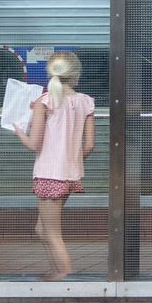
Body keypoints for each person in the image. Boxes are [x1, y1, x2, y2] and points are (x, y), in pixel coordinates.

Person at [18, 51, 95, 281]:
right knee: (42, 230)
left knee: (52, 233)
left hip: (48, 175)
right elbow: (89, 146)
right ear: (76, 75)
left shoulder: (45, 101)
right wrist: (70, 159)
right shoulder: (85, 102)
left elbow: (33, 144)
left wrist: (18, 129)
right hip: (70, 176)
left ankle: (65, 274)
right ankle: (56, 271)